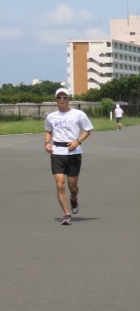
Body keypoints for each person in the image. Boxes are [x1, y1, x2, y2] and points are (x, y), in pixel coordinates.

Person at [45, 89, 93, 226]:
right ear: (56, 99)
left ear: (69, 99)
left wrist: (78, 141)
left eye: (64, 97)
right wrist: (47, 143)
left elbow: (88, 130)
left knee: (72, 186)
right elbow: (49, 131)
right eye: (59, 97)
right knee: (60, 184)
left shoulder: (78, 114)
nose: (62, 99)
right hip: (57, 152)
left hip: (73, 152)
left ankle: (74, 198)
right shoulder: (51, 116)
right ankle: (67, 214)